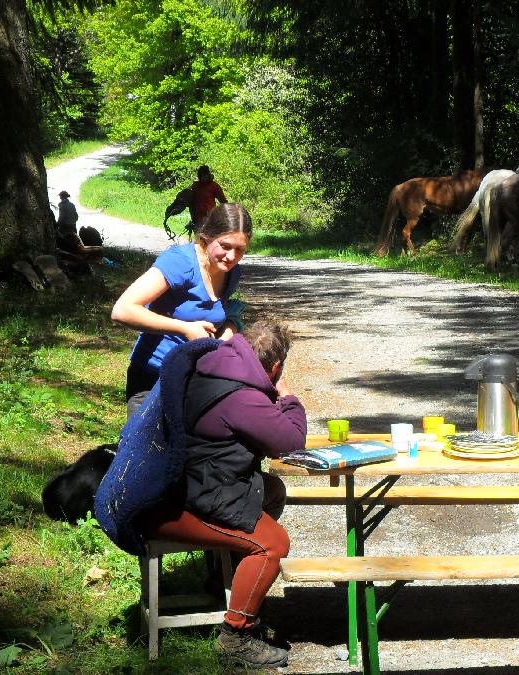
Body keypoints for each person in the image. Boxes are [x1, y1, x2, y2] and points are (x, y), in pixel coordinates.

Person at [138, 319, 306, 669]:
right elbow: (291, 442)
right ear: (275, 367)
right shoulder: (242, 397)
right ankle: (236, 636)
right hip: (177, 504)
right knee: (272, 543)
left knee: (271, 490)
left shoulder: (207, 367)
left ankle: (225, 584)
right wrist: (288, 397)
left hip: (171, 486)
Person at [111, 202, 250, 418]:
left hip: (196, 381)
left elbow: (223, 310)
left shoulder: (232, 272)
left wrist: (230, 327)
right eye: (225, 246)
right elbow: (123, 310)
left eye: (240, 250)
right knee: (144, 450)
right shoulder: (181, 262)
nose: (231, 256)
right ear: (207, 237)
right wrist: (185, 329)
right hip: (153, 378)